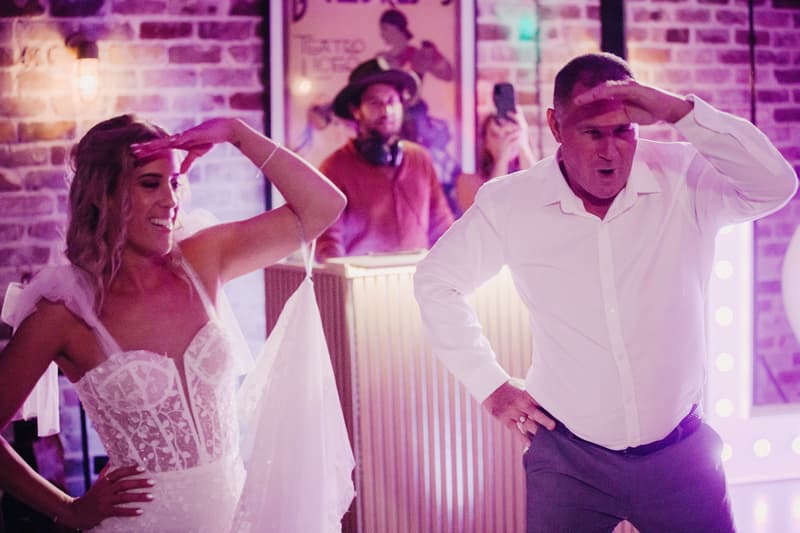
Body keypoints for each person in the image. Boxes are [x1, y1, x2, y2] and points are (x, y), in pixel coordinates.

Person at [414, 52, 798, 532]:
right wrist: (490, 387)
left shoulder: (684, 177)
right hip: (569, 461)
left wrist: (679, 111)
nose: (610, 151)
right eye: (592, 133)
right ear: (556, 126)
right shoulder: (510, 203)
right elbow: (436, 281)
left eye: (623, 131)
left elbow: (776, 185)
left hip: (681, 455)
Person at [0, 114, 346, 531]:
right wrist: (68, 509)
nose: (170, 200)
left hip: (235, 517)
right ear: (102, 194)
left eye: (174, 182)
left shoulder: (202, 260)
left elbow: (324, 207)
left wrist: (237, 134)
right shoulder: (65, 311)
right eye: (150, 183)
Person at [315, 57, 454, 260]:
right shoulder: (334, 168)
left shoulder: (419, 159)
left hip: (418, 283)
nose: (386, 111)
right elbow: (328, 245)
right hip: (362, 286)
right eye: (375, 103)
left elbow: (442, 226)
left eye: (392, 101)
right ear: (356, 110)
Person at [453, 110, 536, 214]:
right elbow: (487, 211)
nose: (505, 139)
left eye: (509, 133)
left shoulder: (535, 171)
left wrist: (523, 145)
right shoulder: (467, 181)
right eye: (496, 135)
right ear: (486, 142)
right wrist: (502, 158)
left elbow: (539, 194)